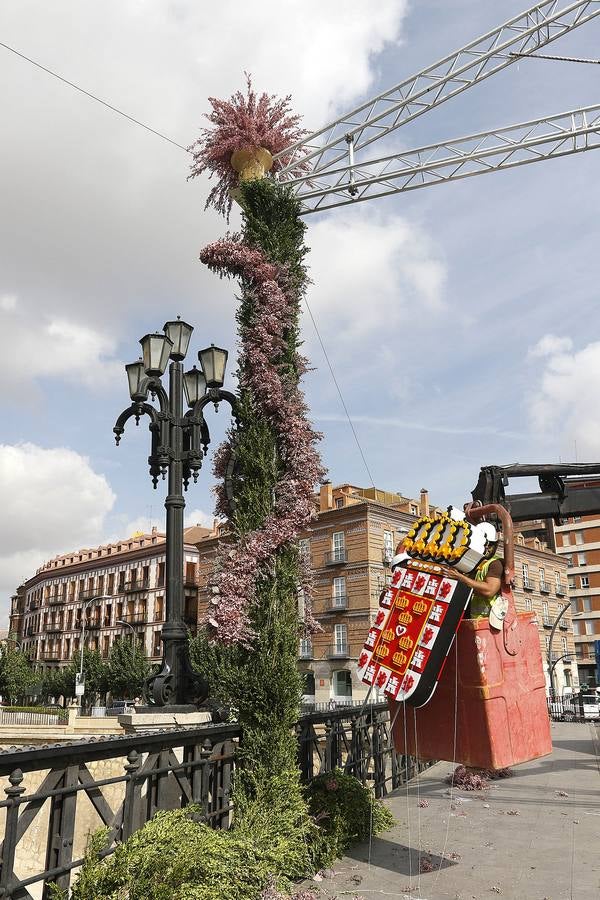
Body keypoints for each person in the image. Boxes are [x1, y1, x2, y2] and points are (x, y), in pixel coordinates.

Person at [443, 553, 507, 626]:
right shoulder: (472, 562)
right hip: (469, 618)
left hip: (489, 620)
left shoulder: (495, 563)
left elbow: (490, 590)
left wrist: (461, 578)